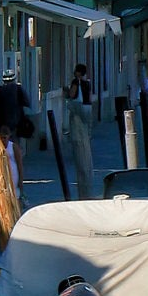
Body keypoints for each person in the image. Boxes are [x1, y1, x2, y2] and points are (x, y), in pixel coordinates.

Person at [64, 63, 96, 199]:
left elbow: (72, 95)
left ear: (78, 72)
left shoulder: (75, 82)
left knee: (79, 141)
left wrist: (66, 92)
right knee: (86, 138)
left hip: (78, 111)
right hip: (88, 110)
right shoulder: (87, 83)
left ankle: (84, 190)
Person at [0, 69, 31, 138]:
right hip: (17, 124)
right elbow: (26, 103)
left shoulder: (0, 91)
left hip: (3, 124)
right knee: (15, 145)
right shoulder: (18, 89)